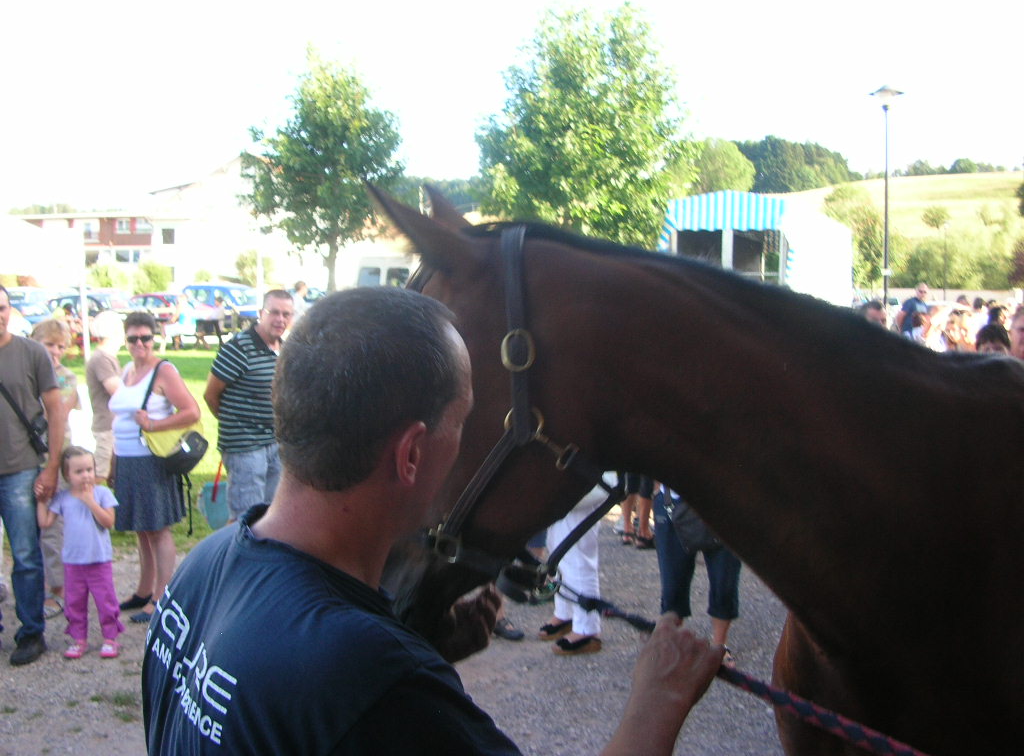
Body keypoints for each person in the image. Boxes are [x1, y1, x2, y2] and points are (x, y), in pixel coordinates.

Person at [142, 287, 724, 754]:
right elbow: (349, 696)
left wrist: (419, 646)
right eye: (465, 420)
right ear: (412, 454)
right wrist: (658, 703)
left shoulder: (204, 566)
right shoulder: (376, 680)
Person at [109, 312, 200, 623]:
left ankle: (162, 596)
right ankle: (143, 590)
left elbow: (192, 411)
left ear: (154, 338)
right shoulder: (126, 372)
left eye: (145, 338)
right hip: (126, 459)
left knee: (158, 529)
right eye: (133, 338)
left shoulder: (164, 371)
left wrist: (155, 424)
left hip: (151, 460)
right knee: (142, 529)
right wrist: (112, 461)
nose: (139, 344)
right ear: (126, 340)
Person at [0, 285, 66, 665]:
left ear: (10, 310)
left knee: (25, 555)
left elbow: (55, 410)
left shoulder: (31, 353)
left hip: (21, 469)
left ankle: (31, 632)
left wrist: (53, 466)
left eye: (3, 307)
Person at [203, 289, 293, 521]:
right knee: (246, 517)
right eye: (274, 312)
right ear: (261, 313)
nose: (280, 319)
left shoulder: (284, 349)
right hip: (245, 447)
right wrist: (236, 425)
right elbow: (211, 395)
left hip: (275, 443)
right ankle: (235, 556)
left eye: (286, 314)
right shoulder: (239, 348)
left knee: (272, 515)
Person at [36, 446, 124, 659]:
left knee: (105, 600)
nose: (86, 475)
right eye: (79, 472)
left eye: (89, 469)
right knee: (74, 602)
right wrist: (41, 502)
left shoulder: (102, 493)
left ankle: (110, 637)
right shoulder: (63, 498)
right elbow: (45, 523)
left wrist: (90, 501)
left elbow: (109, 521)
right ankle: (79, 638)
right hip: (73, 562)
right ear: (67, 475)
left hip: (98, 560)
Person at [653, 483, 741, 669]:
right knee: (672, 587)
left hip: (723, 504)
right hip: (671, 502)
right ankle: (672, 646)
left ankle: (719, 647)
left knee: (724, 584)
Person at [30, 319, 81, 620]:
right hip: (26, 456)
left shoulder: (65, 377)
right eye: (49, 344)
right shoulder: (27, 372)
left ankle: (58, 589)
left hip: (55, 457)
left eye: (60, 346)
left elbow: (58, 411)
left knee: (52, 524)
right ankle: (39, 583)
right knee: (31, 525)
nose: (56, 351)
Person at [538, 479, 609, 654]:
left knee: (577, 555)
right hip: (565, 483)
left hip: (583, 482)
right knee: (556, 549)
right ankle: (565, 613)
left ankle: (587, 629)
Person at [85, 311, 124, 486]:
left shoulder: (108, 358)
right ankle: (83, 507)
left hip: (113, 426)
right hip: (106, 426)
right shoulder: (101, 358)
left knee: (115, 475)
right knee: (98, 474)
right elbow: (116, 390)